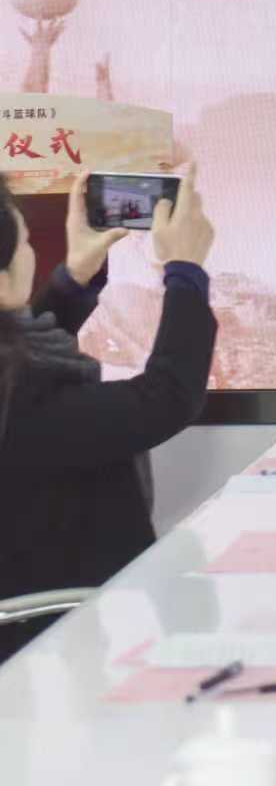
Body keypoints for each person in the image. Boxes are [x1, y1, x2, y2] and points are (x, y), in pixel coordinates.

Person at [0, 167, 218, 664]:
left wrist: (75, 277)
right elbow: (163, 398)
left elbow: (23, 362)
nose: (31, 252)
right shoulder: (21, 408)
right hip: (48, 644)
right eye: (26, 243)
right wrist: (185, 271)